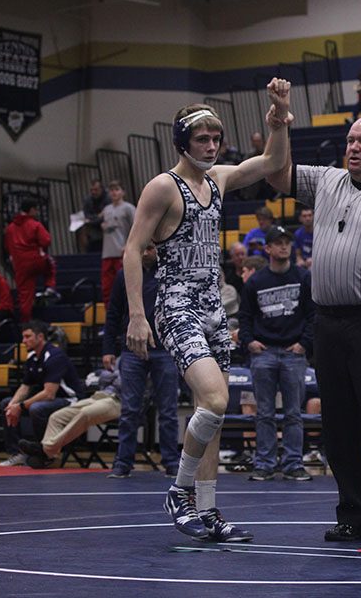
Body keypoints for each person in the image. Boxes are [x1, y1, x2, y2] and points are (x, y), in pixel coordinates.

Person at [124, 78, 292, 542]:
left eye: (217, 139)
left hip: (213, 307)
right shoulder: (163, 186)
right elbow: (132, 248)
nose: (213, 146)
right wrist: (138, 315)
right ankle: (179, 492)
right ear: (182, 142)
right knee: (216, 399)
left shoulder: (217, 179)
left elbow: (275, 162)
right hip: (176, 303)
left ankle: (209, 510)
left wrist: (278, 117)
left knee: (211, 411)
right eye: (203, 139)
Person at [266, 113, 361, 545]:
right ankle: (356, 514)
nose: (353, 147)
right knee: (339, 428)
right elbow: (277, 173)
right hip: (328, 322)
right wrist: (279, 124)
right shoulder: (327, 180)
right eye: (350, 140)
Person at [237, 225, 314, 481]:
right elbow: (244, 317)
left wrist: (304, 343)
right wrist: (249, 342)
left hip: (293, 352)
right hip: (265, 352)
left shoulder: (303, 277)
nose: (284, 247)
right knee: (265, 413)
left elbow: (313, 315)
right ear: (268, 248)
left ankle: (293, 463)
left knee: (293, 413)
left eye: (287, 242)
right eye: (278, 243)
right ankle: (265, 463)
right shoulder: (256, 282)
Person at [103, 244, 180, 479]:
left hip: (164, 348)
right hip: (132, 348)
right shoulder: (125, 274)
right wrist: (108, 349)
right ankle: (122, 462)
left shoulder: (170, 271)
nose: (145, 253)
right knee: (129, 410)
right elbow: (113, 311)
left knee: (168, 410)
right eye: (142, 248)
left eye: (150, 248)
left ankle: (172, 462)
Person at [0, 320, 86, 466]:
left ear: (40, 337)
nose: (23, 341)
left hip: (71, 400)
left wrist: (20, 406)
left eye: (27, 337)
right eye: (23, 337)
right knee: (6, 403)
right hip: (50, 400)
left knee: (37, 408)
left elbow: (49, 394)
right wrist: (13, 405)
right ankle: (17, 453)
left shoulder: (55, 356)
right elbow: (25, 387)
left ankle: (46, 453)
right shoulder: (33, 358)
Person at [17, 364, 122, 469]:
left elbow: (122, 383)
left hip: (119, 401)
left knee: (86, 413)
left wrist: (112, 376)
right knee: (57, 417)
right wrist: (114, 376)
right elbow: (98, 379)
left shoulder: (135, 360)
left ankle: (45, 450)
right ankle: (50, 457)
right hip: (98, 396)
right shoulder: (121, 358)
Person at [4, 198, 59, 322]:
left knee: (25, 297)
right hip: (35, 260)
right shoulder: (35, 224)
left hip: (20, 266)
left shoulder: (10, 228)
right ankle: (50, 288)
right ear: (32, 210)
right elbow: (46, 240)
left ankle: (25, 325)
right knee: (50, 264)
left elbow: (7, 246)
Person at [100, 180, 136, 306]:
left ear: (123, 192)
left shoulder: (128, 208)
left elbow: (136, 227)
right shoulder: (106, 209)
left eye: (117, 189)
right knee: (107, 287)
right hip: (107, 252)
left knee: (123, 285)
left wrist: (129, 245)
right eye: (111, 190)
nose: (114, 192)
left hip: (122, 251)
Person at [77, 179, 110, 253]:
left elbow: (106, 217)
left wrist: (92, 219)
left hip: (106, 235)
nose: (93, 192)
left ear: (101, 189)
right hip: (93, 236)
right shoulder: (88, 200)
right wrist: (98, 216)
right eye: (91, 190)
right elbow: (86, 216)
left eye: (96, 190)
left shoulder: (108, 199)